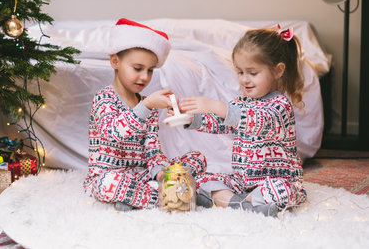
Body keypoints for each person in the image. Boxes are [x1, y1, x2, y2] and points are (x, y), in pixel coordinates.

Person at [178, 26, 307, 217]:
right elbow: (223, 122)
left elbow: (254, 121)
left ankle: (233, 201)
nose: (244, 80)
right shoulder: (242, 102)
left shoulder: (279, 106)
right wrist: (191, 118)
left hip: (277, 179)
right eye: (240, 72)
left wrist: (214, 105)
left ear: (278, 71)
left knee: (281, 191)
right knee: (202, 179)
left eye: (252, 73)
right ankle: (242, 203)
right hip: (244, 181)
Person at [83, 18, 206, 211]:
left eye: (150, 71)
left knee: (198, 158)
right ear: (115, 61)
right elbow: (113, 133)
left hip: (142, 174)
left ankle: (143, 194)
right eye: (138, 69)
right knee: (108, 184)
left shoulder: (147, 105)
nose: (145, 77)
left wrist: (160, 172)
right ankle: (178, 196)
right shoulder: (104, 98)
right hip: (108, 175)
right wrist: (146, 106)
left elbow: (152, 150)